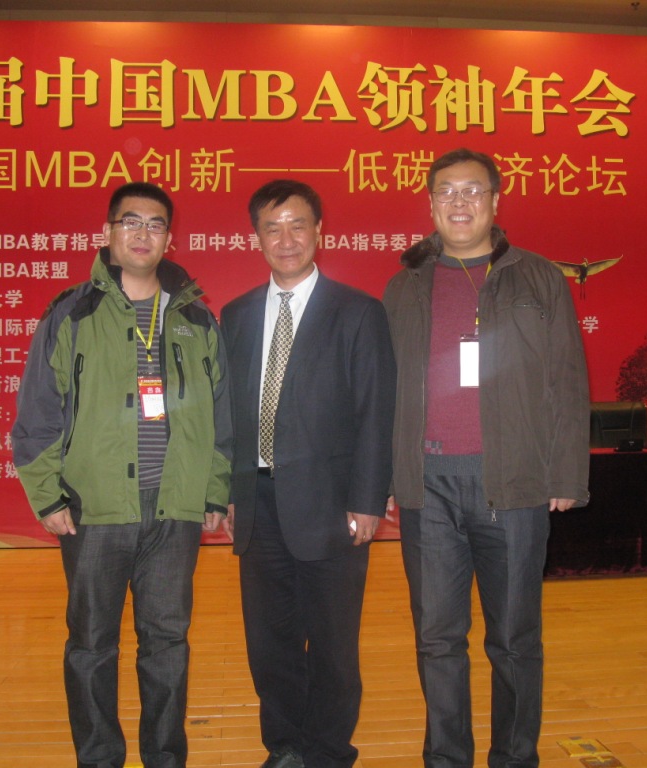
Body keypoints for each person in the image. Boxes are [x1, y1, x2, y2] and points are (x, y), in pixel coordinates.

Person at [11, 181, 232, 768]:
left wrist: (214, 491)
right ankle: (99, 758)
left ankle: (166, 757)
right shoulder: (72, 313)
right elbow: (37, 412)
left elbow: (221, 415)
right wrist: (48, 495)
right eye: (130, 222)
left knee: (167, 644)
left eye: (155, 224)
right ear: (107, 233)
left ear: (169, 238)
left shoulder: (195, 318)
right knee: (91, 645)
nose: (142, 234)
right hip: (96, 509)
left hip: (174, 511)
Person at [383, 148, 590, 768]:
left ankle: (514, 758)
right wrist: (388, 476)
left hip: (514, 483)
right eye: (446, 191)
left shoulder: (539, 278)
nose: (460, 202)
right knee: (437, 639)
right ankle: (447, 758)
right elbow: (383, 389)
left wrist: (566, 474)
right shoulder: (404, 285)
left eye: (473, 190)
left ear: (496, 201)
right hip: (428, 486)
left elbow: (567, 379)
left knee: (515, 639)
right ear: (430, 203)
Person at [219, 179, 396, 768]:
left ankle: (327, 751)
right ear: (256, 238)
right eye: (272, 228)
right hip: (258, 503)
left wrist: (368, 499)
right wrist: (230, 493)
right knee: (269, 643)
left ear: (319, 231)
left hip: (332, 504)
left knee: (333, 645)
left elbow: (376, 412)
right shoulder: (237, 315)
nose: (286, 239)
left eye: (298, 225)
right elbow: (228, 416)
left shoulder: (358, 312)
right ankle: (285, 745)